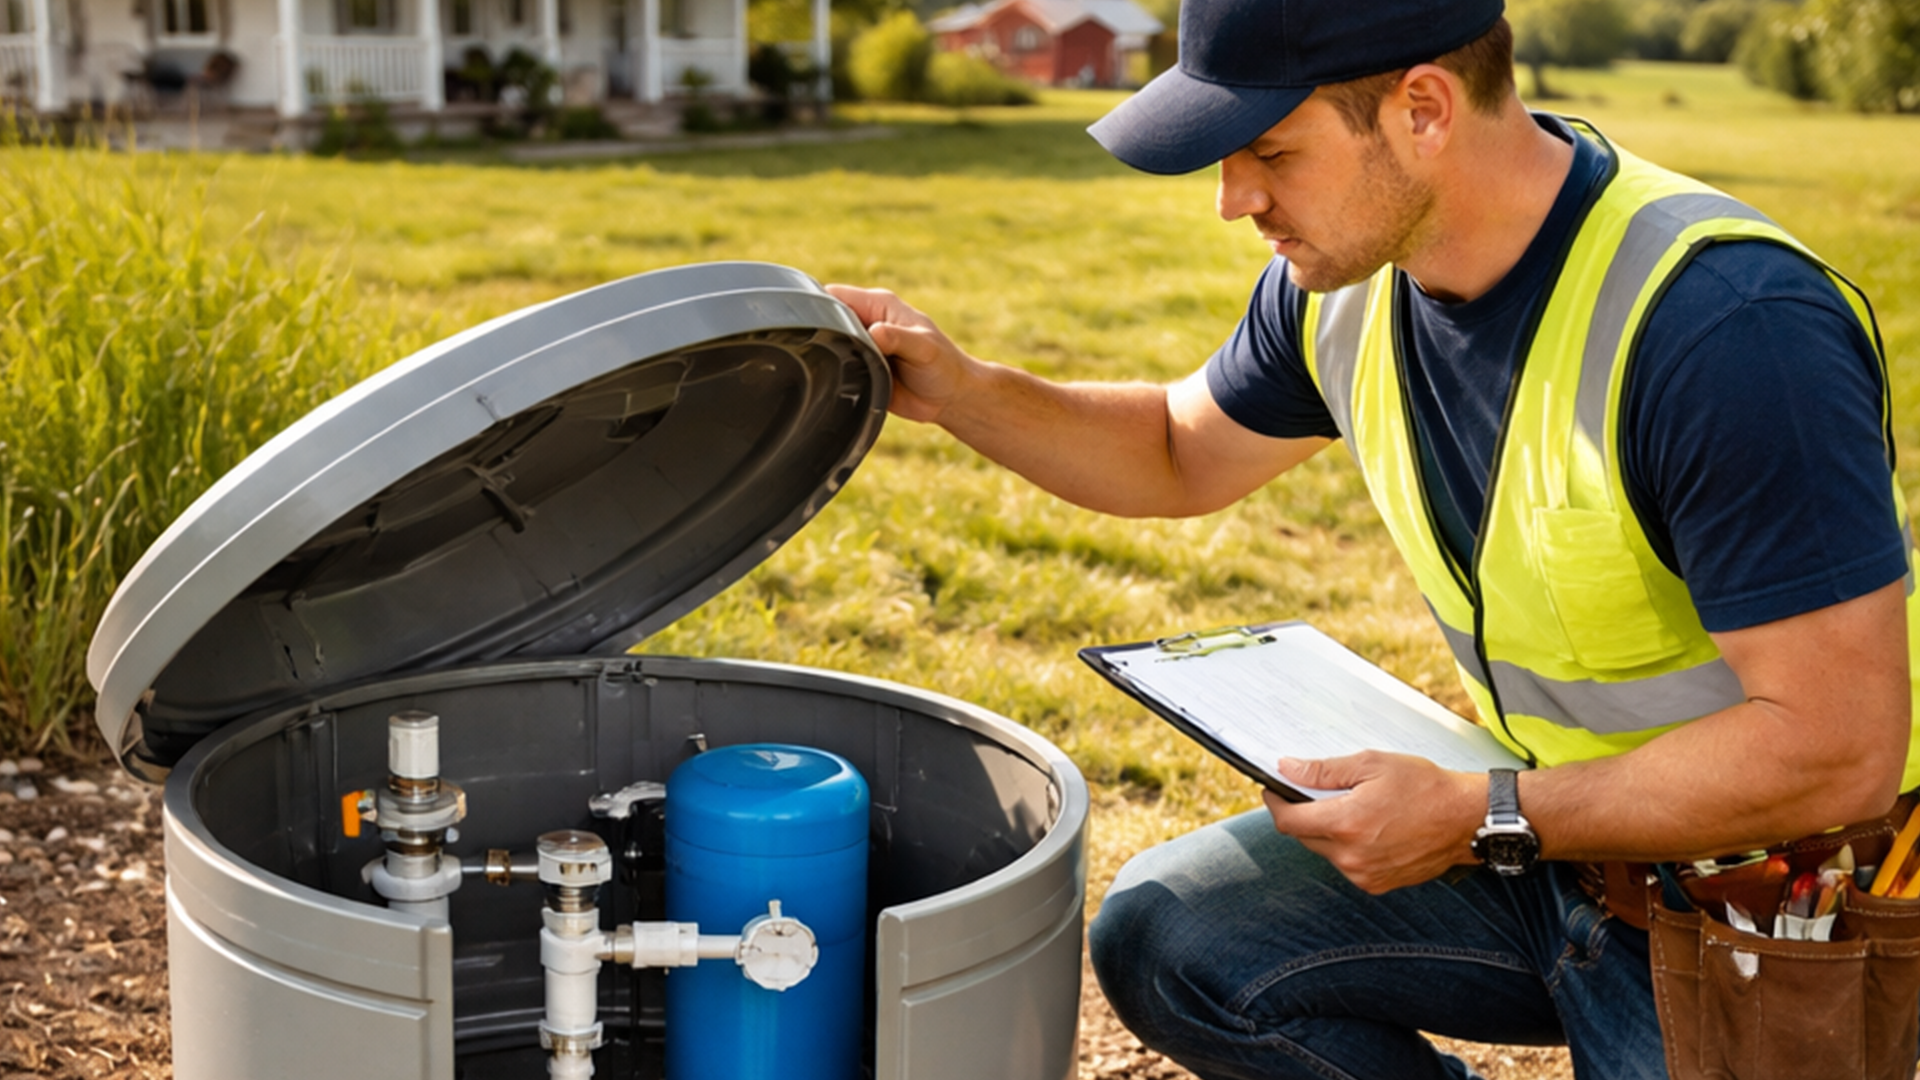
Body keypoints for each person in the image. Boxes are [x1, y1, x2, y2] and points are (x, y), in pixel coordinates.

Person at [827, 0, 1920, 1075]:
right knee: (1175, 940)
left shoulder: (1728, 331)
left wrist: (1483, 815)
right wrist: (967, 391)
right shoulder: (1344, 288)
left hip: (1765, 907)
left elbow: (1834, 747)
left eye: (1269, 152)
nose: (1233, 200)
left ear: (1426, 109)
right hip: (1548, 842)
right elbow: (1173, 447)